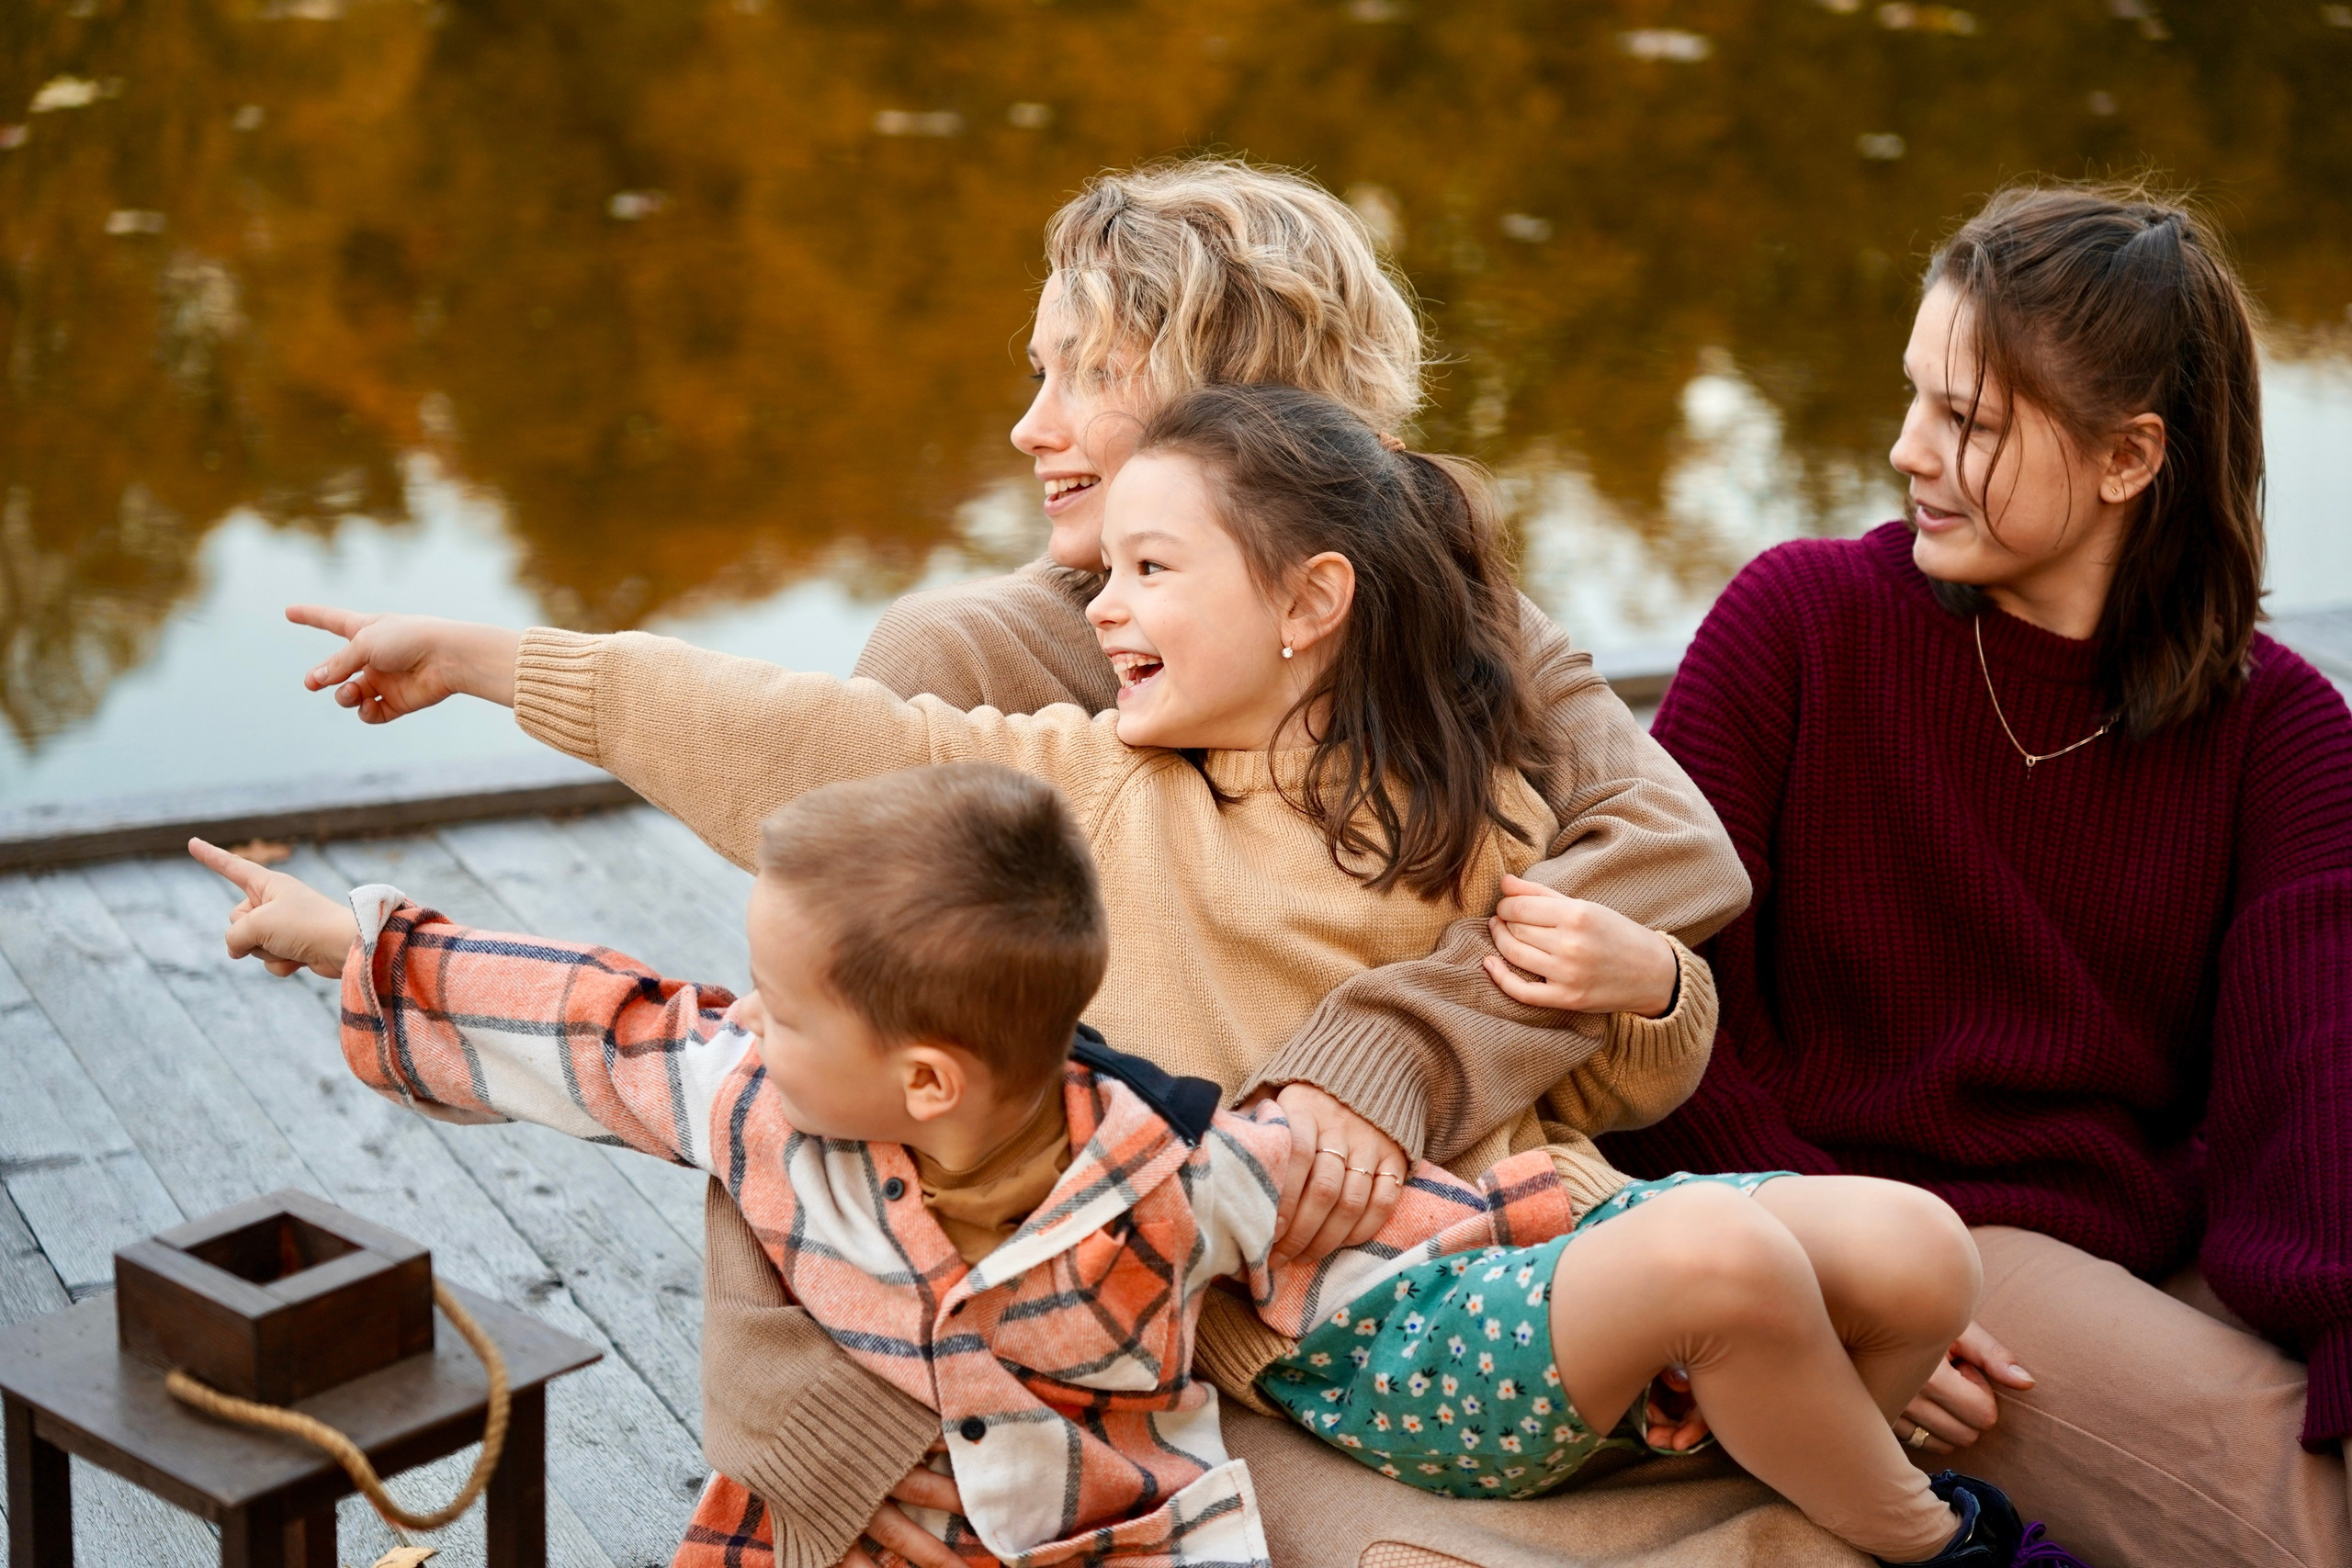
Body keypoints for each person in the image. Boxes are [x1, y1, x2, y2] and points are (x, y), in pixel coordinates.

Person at [269, 383, 2064, 1567]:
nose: (1098, 604)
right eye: (1099, 565)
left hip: (1538, 1246)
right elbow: (777, 727)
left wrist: (1641, 984)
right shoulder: (1078, 803)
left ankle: (1761, 1440)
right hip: (1358, 1327)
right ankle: (1946, 1549)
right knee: (1729, 1251)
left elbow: (1613, 1090)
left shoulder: (1461, 806)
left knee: (1914, 1241)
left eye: (1145, 567)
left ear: (1308, 607)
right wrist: (496, 657)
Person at [184, 766, 1581, 1568]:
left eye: (781, 1010)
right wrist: (347, 940)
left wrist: (1554, 1219)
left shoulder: (1169, 1173)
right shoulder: (765, 1113)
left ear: (926, 1082)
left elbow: (1369, 1212)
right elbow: (595, 1027)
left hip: (1113, 1548)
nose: (744, 1027)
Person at [1608, 180, 2352, 1568]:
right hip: (1926, 1245)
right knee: (2301, 1522)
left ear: (2130, 459)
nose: (1907, 451)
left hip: (2151, 1235)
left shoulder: (2284, 733)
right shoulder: (1801, 627)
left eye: (1969, 422)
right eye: (1917, 398)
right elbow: (1636, 1011)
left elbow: (2323, 1097)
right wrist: (1822, 1270)